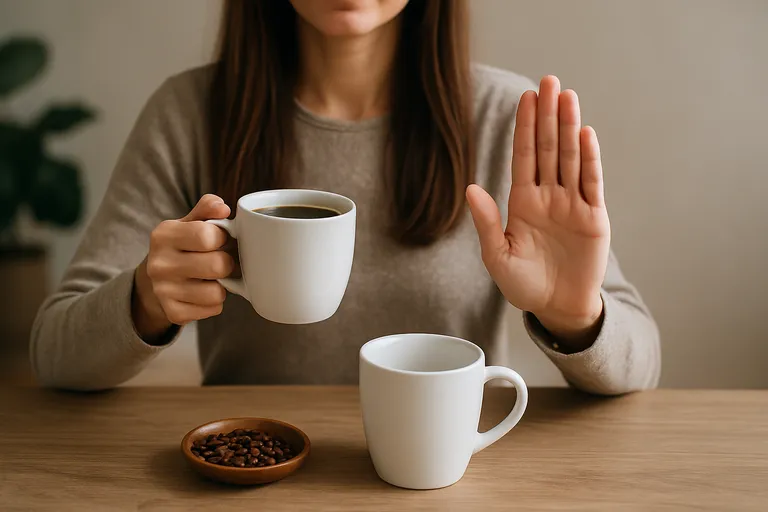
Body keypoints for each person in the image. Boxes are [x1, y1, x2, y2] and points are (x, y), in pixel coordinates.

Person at [31, 0, 660, 393]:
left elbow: (641, 364)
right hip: (258, 476)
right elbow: (53, 353)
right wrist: (145, 299)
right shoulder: (189, 113)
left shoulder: (503, 117)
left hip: (445, 476)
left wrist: (573, 315)